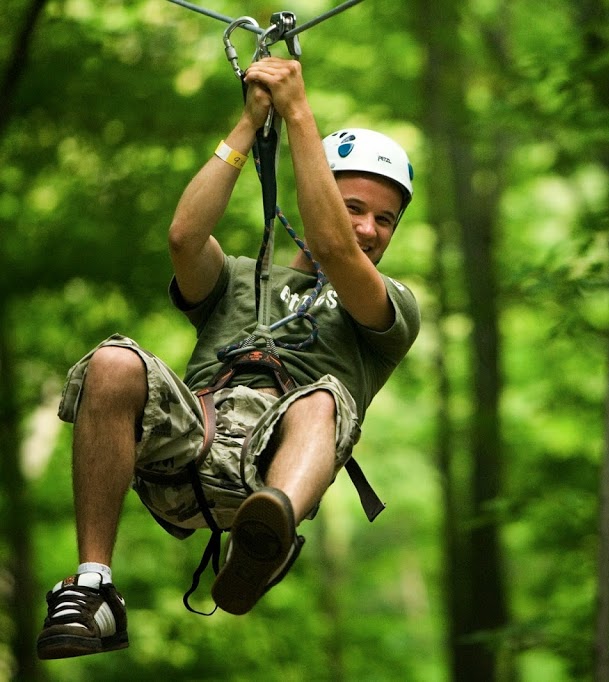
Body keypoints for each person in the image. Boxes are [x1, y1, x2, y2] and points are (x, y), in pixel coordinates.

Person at [36, 57, 419, 660]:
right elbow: (184, 237)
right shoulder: (237, 280)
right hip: (189, 455)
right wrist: (248, 124)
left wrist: (298, 113)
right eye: (352, 207)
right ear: (317, 196)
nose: (369, 229)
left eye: (385, 219)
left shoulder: (388, 307)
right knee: (113, 361)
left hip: (275, 474)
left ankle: (267, 531)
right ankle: (94, 589)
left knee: (324, 398)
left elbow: (334, 250)